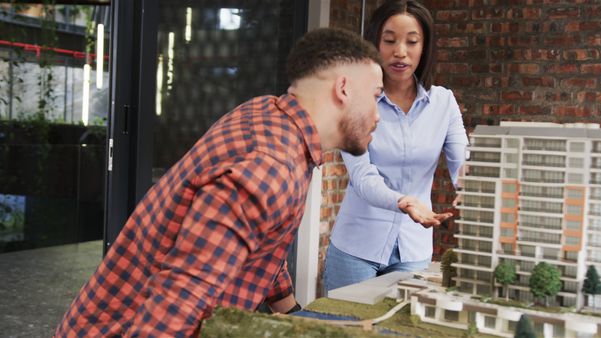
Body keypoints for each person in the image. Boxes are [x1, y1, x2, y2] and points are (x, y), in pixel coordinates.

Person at [55, 27, 384, 337]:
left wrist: (291, 311)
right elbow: (179, 301)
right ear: (344, 88)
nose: (378, 114)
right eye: (376, 95)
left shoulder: (267, 114)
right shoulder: (271, 167)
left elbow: (261, 240)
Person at [324, 0, 469, 293]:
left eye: (411, 41)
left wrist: (470, 191)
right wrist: (404, 201)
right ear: (374, 45)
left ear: (424, 47)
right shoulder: (356, 102)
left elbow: (462, 165)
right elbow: (363, 177)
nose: (400, 51)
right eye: (389, 41)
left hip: (412, 251)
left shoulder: (444, 103)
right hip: (356, 248)